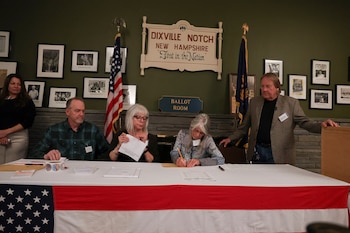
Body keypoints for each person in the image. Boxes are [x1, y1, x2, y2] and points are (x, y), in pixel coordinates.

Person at [219, 72, 339, 164]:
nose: (264, 89)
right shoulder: (255, 102)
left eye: (268, 86)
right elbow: (243, 127)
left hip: (279, 154)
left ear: (277, 88)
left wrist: (321, 126)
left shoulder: (290, 104)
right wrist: (231, 139)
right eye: (262, 86)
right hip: (257, 152)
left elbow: (305, 122)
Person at [29, 97, 109, 160]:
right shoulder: (54, 130)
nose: (81, 114)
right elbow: (35, 153)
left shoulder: (93, 130)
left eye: (83, 111)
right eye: (77, 111)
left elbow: (107, 153)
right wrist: (46, 156)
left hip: (87, 174)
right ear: (67, 112)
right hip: (61, 173)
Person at [0, 73, 36, 164]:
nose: (16, 86)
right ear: (7, 84)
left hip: (18, 137)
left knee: (12, 165)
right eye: (13, 83)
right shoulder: (1, 100)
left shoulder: (27, 101)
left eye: (19, 84)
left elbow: (28, 121)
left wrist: (6, 132)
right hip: (0, 135)